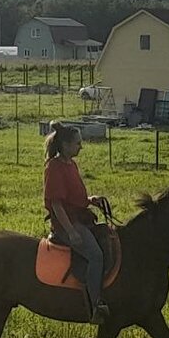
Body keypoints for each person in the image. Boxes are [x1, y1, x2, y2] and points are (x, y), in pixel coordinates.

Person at [43, 120, 110, 324]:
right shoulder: (54, 168)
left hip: (79, 217)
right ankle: (94, 305)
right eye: (77, 143)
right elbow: (56, 204)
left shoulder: (71, 164)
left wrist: (91, 200)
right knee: (96, 256)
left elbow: (72, 198)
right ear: (65, 145)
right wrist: (70, 231)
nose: (81, 146)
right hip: (67, 224)